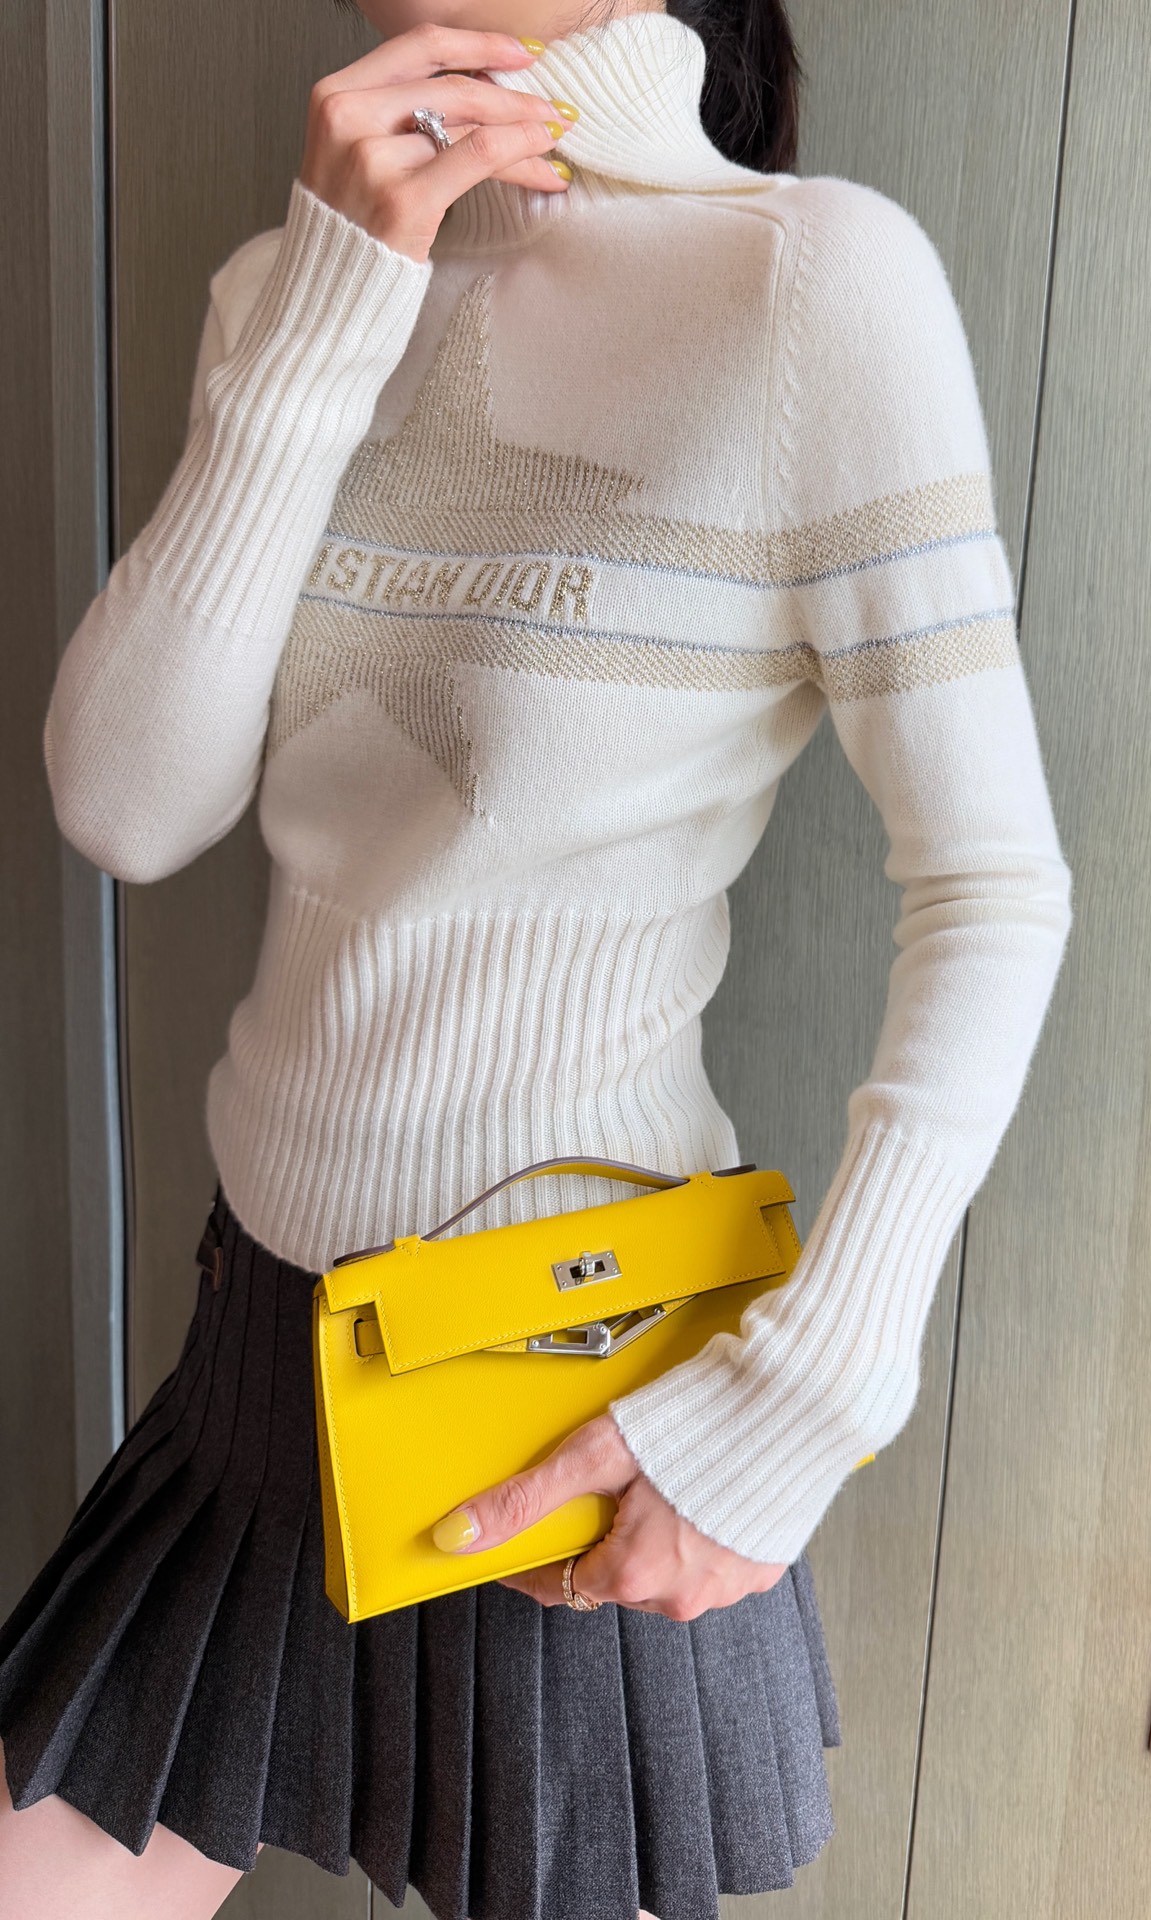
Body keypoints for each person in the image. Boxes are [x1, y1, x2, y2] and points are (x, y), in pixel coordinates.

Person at [0, 0, 1074, 1914]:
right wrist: (328, 302)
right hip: (263, 1362)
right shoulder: (285, 288)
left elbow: (995, 888)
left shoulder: (811, 284)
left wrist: (801, 1403)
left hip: (564, 1392)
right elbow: (127, 806)